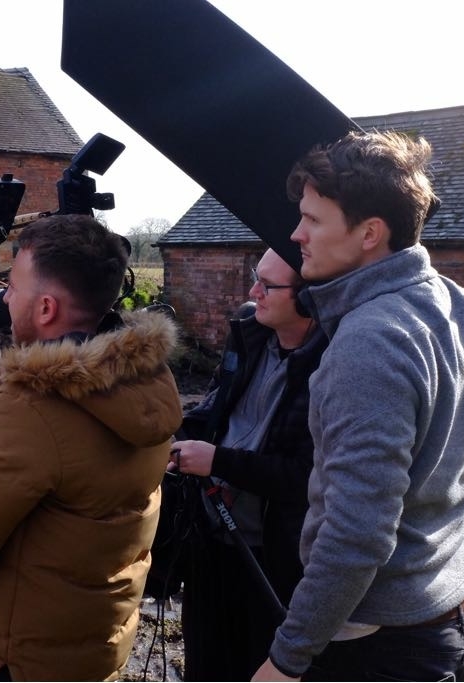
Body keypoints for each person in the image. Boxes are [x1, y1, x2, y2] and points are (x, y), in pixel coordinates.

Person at [254, 130, 464, 682]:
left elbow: (357, 531)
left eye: (312, 220)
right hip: (450, 610)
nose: (296, 234)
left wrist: (287, 659)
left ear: (369, 233)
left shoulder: (369, 341)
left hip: (382, 645)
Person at [0, 213, 183, 681]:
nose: (3, 298)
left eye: (12, 286)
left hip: (19, 661)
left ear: (45, 309)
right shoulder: (148, 384)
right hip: (91, 648)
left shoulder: (29, 410)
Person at [145, 248, 327, 681]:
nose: (253, 291)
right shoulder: (250, 330)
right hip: (210, 537)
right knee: (205, 661)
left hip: (273, 555)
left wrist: (218, 461)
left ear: (308, 298)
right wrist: (168, 435)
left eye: (267, 285)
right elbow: (216, 406)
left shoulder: (332, 364)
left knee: (254, 662)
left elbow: (307, 475)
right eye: (256, 276)